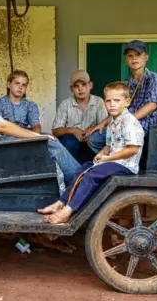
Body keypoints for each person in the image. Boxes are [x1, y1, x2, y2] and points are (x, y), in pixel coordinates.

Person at [0, 53, 80, 185]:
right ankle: (81, 181)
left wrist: (36, 135)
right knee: (48, 142)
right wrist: (35, 137)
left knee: (45, 137)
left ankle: (73, 180)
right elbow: (2, 127)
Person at [38, 82, 144, 224]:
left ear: (127, 102)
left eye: (117, 101)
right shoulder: (113, 121)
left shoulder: (129, 121)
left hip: (126, 165)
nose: (112, 104)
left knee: (92, 175)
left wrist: (108, 158)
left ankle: (67, 211)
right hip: (114, 161)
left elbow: (132, 149)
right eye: (108, 101)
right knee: (83, 169)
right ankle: (61, 203)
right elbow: (110, 145)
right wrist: (102, 153)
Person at [86, 40, 157, 167]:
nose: (134, 58)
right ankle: (116, 162)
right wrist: (102, 124)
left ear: (146, 57)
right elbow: (120, 109)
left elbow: (153, 104)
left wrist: (129, 120)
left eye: (138, 54)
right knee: (94, 138)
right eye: (130, 55)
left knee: (114, 138)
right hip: (122, 124)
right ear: (125, 60)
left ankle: (123, 164)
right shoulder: (126, 82)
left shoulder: (154, 78)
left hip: (144, 126)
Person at [52, 70, 108, 162]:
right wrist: (73, 130)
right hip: (72, 145)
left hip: (91, 142)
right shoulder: (65, 104)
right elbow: (55, 130)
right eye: (76, 86)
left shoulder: (98, 102)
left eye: (83, 84)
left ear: (90, 85)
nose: (80, 89)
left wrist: (93, 128)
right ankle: (72, 173)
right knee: (69, 141)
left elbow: (104, 125)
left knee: (99, 138)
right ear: (71, 89)